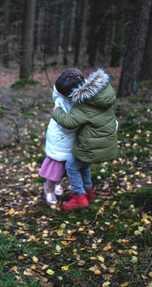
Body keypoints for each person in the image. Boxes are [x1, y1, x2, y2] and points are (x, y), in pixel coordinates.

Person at [51, 68, 118, 211]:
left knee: (71, 166)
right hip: (106, 140)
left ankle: (79, 197)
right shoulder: (99, 92)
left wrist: (56, 111)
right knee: (83, 164)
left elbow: (69, 121)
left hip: (93, 145)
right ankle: (89, 192)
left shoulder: (83, 105)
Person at [39, 68, 85, 205]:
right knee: (55, 169)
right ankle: (48, 189)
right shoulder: (62, 101)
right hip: (61, 141)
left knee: (67, 167)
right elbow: (65, 125)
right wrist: (82, 123)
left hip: (71, 141)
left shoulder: (77, 92)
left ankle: (59, 183)